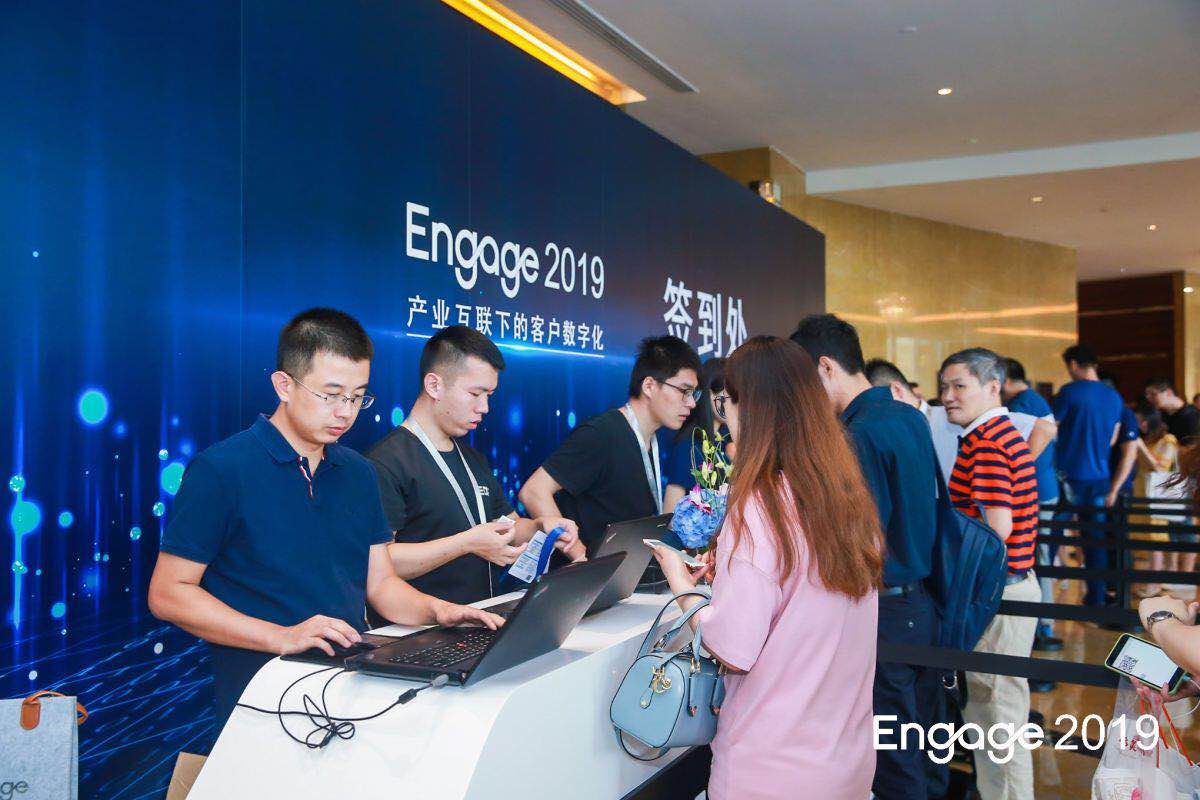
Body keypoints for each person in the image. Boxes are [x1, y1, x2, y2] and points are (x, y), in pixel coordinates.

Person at [147, 309, 502, 730]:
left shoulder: (358, 472)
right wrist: (282, 636)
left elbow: (380, 585)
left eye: (357, 397)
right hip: (261, 697)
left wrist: (438, 611)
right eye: (330, 395)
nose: (345, 413)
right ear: (284, 385)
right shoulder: (222, 470)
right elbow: (169, 593)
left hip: (347, 689)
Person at [651, 335, 883, 800]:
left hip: (771, 765)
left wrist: (680, 582)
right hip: (846, 762)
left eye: (727, 404)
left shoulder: (761, 505)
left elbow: (732, 647)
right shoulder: (845, 497)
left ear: (750, 408)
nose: (725, 419)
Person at [793, 317, 943, 799]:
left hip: (884, 613)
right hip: (920, 604)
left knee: (893, 758)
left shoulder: (856, 434)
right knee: (916, 746)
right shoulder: (909, 416)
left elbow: (862, 542)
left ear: (825, 367)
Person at [365, 326, 581, 615]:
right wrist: (465, 544)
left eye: (489, 395)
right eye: (475, 393)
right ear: (434, 386)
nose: (485, 407)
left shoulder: (473, 458)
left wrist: (541, 526)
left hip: (481, 616)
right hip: (418, 626)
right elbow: (380, 562)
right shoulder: (386, 462)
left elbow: (508, 525)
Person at [941, 347, 1040, 800]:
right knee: (993, 716)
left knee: (999, 718)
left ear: (993, 387)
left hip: (998, 595)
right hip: (1007, 590)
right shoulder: (995, 434)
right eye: (945, 387)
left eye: (959, 386)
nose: (948, 396)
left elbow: (996, 528)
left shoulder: (989, 442)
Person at [519, 335, 701, 555]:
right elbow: (534, 491)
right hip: (586, 575)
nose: (691, 403)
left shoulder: (652, 440)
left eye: (694, 394)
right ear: (649, 386)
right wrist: (579, 557)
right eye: (684, 391)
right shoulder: (602, 433)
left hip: (623, 573)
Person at [998, 357, 1062, 652]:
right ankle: (1042, 623)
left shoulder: (1021, 404)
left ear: (1004, 380)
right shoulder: (1034, 398)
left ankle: (1042, 624)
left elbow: (1040, 437)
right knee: (1040, 556)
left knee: (1037, 558)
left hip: (1035, 492)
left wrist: (1016, 471)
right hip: (1044, 487)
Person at [1053, 344, 1124, 607]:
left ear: (1073, 364)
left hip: (1068, 477)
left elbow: (1051, 429)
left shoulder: (1069, 392)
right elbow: (1113, 437)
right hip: (1100, 478)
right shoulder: (1113, 396)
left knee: (1051, 537)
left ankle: (1041, 605)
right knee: (1095, 542)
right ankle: (1096, 598)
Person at [661, 357, 729, 516]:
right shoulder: (689, 445)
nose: (737, 404)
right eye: (729, 396)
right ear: (710, 395)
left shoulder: (727, 441)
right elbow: (670, 515)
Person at [1132, 405, 1181, 596]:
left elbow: (1160, 467)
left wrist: (1140, 447)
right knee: (1145, 538)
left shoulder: (1168, 440)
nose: (1140, 424)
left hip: (1156, 494)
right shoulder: (1147, 439)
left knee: (1156, 539)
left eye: (1142, 420)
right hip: (1142, 493)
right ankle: (1149, 580)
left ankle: (1155, 583)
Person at [1145, 377, 1200, 447]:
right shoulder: (1162, 414)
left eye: (1153, 394)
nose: (1149, 398)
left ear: (1169, 392)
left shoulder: (1192, 415)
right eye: (1147, 395)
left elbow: (1193, 449)